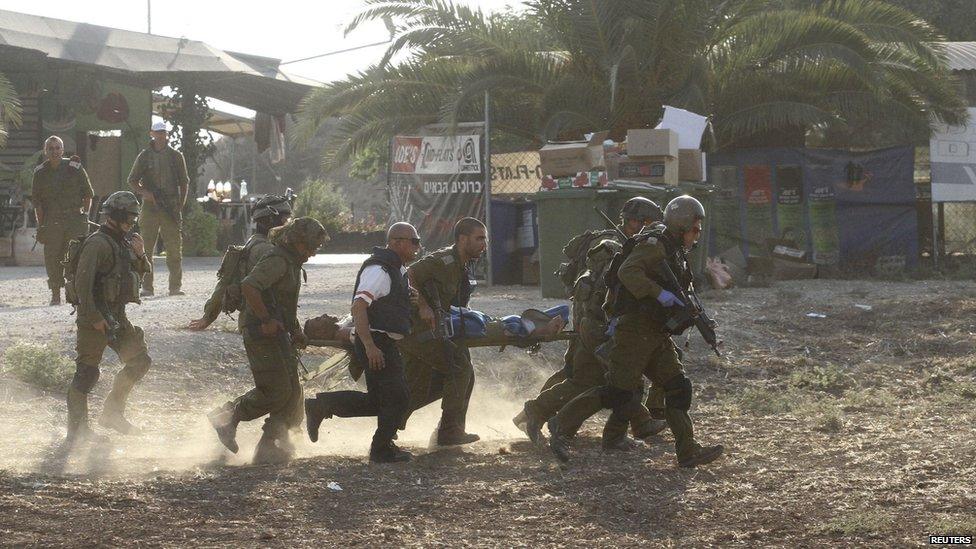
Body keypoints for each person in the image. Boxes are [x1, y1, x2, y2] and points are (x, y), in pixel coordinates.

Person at [547, 195, 724, 468]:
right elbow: (628, 272)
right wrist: (659, 293)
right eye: (695, 229)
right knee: (618, 391)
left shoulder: (674, 250)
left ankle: (687, 451)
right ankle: (561, 426)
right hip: (635, 330)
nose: (697, 235)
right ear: (680, 226)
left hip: (655, 332)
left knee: (678, 388)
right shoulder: (654, 246)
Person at [516, 197, 668, 442]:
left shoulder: (623, 244)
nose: (652, 230)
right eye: (648, 223)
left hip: (589, 321)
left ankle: (534, 414)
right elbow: (608, 293)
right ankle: (635, 425)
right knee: (623, 376)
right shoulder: (613, 247)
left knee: (583, 379)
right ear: (634, 222)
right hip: (598, 323)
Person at [207, 217, 328, 464]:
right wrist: (265, 320)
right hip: (260, 333)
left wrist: (295, 331)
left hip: (276, 333)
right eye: (311, 247)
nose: (313, 253)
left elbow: (283, 304)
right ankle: (227, 415)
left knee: (293, 393)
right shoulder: (278, 260)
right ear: (297, 242)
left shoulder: (291, 261)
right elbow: (249, 286)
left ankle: (271, 448)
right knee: (277, 391)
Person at [304, 222, 421, 463]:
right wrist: (369, 346)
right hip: (377, 340)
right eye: (414, 241)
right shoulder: (380, 270)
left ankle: (324, 405)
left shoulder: (395, 268)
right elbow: (359, 306)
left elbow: (384, 302)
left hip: (382, 340)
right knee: (398, 398)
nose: (418, 246)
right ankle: (381, 449)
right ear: (397, 243)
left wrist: (408, 297)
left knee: (380, 400)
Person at [67, 191, 152, 445]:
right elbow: (83, 285)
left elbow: (140, 274)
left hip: (117, 316)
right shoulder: (97, 243)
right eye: (128, 217)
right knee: (87, 374)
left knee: (139, 361)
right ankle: (77, 431)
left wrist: (141, 254)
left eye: (134, 218)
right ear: (114, 216)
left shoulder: (123, 242)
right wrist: (93, 317)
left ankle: (112, 413)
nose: (131, 222)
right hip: (94, 318)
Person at [398, 217, 487, 446]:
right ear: (462, 239)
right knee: (459, 370)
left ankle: (448, 429)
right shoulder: (443, 261)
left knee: (453, 377)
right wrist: (423, 306)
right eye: (479, 238)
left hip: (440, 330)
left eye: (484, 239)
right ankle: (448, 431)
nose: (483, 244)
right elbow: (407, 276)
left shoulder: (464, 264)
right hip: (418, 329)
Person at [188, 195, 292, 331]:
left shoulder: (251, 245)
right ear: (272, 219)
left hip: (251, 324)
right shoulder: (269, 252)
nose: (288, 225)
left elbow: (224, 283)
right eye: (286, 219)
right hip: (265, 327)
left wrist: (208, 317)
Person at [127, 121, 190, 297]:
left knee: (174, 249)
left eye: (163, 132)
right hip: (150, 207)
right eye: (158, 132)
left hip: (170, 205)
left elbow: (184, 182)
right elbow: (132, 180)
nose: (161, 136)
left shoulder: (176, 156)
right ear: (152, 134)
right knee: (146, 248)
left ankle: (175, 286)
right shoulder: (144, 156)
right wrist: (145, 193)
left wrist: (180, 204)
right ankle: (147, 286)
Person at [30, 136, 94, 305]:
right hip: (53, 220)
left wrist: (85, 215)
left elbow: (88, 194)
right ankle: (56, 294)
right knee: (53, 257)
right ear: (46, 152)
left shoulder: (75, 168)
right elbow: (38, 203)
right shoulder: (40, 172)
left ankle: (74, 292)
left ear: (63, 150)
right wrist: (41, 225)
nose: (54, 151)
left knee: (75, 256)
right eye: (50, 148)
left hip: (75, 219)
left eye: (57, 148)